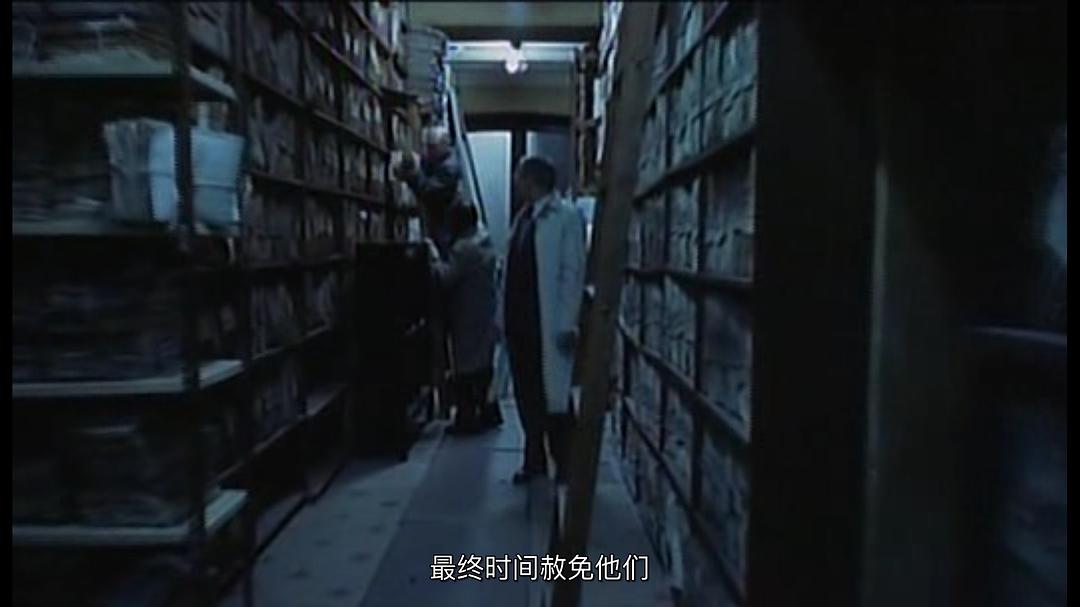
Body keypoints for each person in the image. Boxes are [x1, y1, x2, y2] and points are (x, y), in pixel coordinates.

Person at [498, 156, 587, 485]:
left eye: (519, 177)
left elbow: (572, 272)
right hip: (520, 324)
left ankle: (566, 463)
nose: (515, 182)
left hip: (546, 323)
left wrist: (567, 321)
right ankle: (533, 457)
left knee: (555, 398)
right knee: (527, 395)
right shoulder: (525, 217)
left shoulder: (565, 217)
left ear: (531, 180)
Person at [429, 202, 498, 434]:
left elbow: (446, 277)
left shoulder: (463, 249)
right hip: (484, 310)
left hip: (465, 313)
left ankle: (466, 417)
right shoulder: (485, 240)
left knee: (465, 367)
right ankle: (488, 411)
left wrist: (432, 257)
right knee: (483, 364)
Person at [396, 126, 461, 255]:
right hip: (437, 219)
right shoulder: (436, 161)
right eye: (428, 147)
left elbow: (428, 190)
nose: (429, 151)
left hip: (444, 221)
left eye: (433, 147)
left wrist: (412, 174)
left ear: (444, 145)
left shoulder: (450, 167)